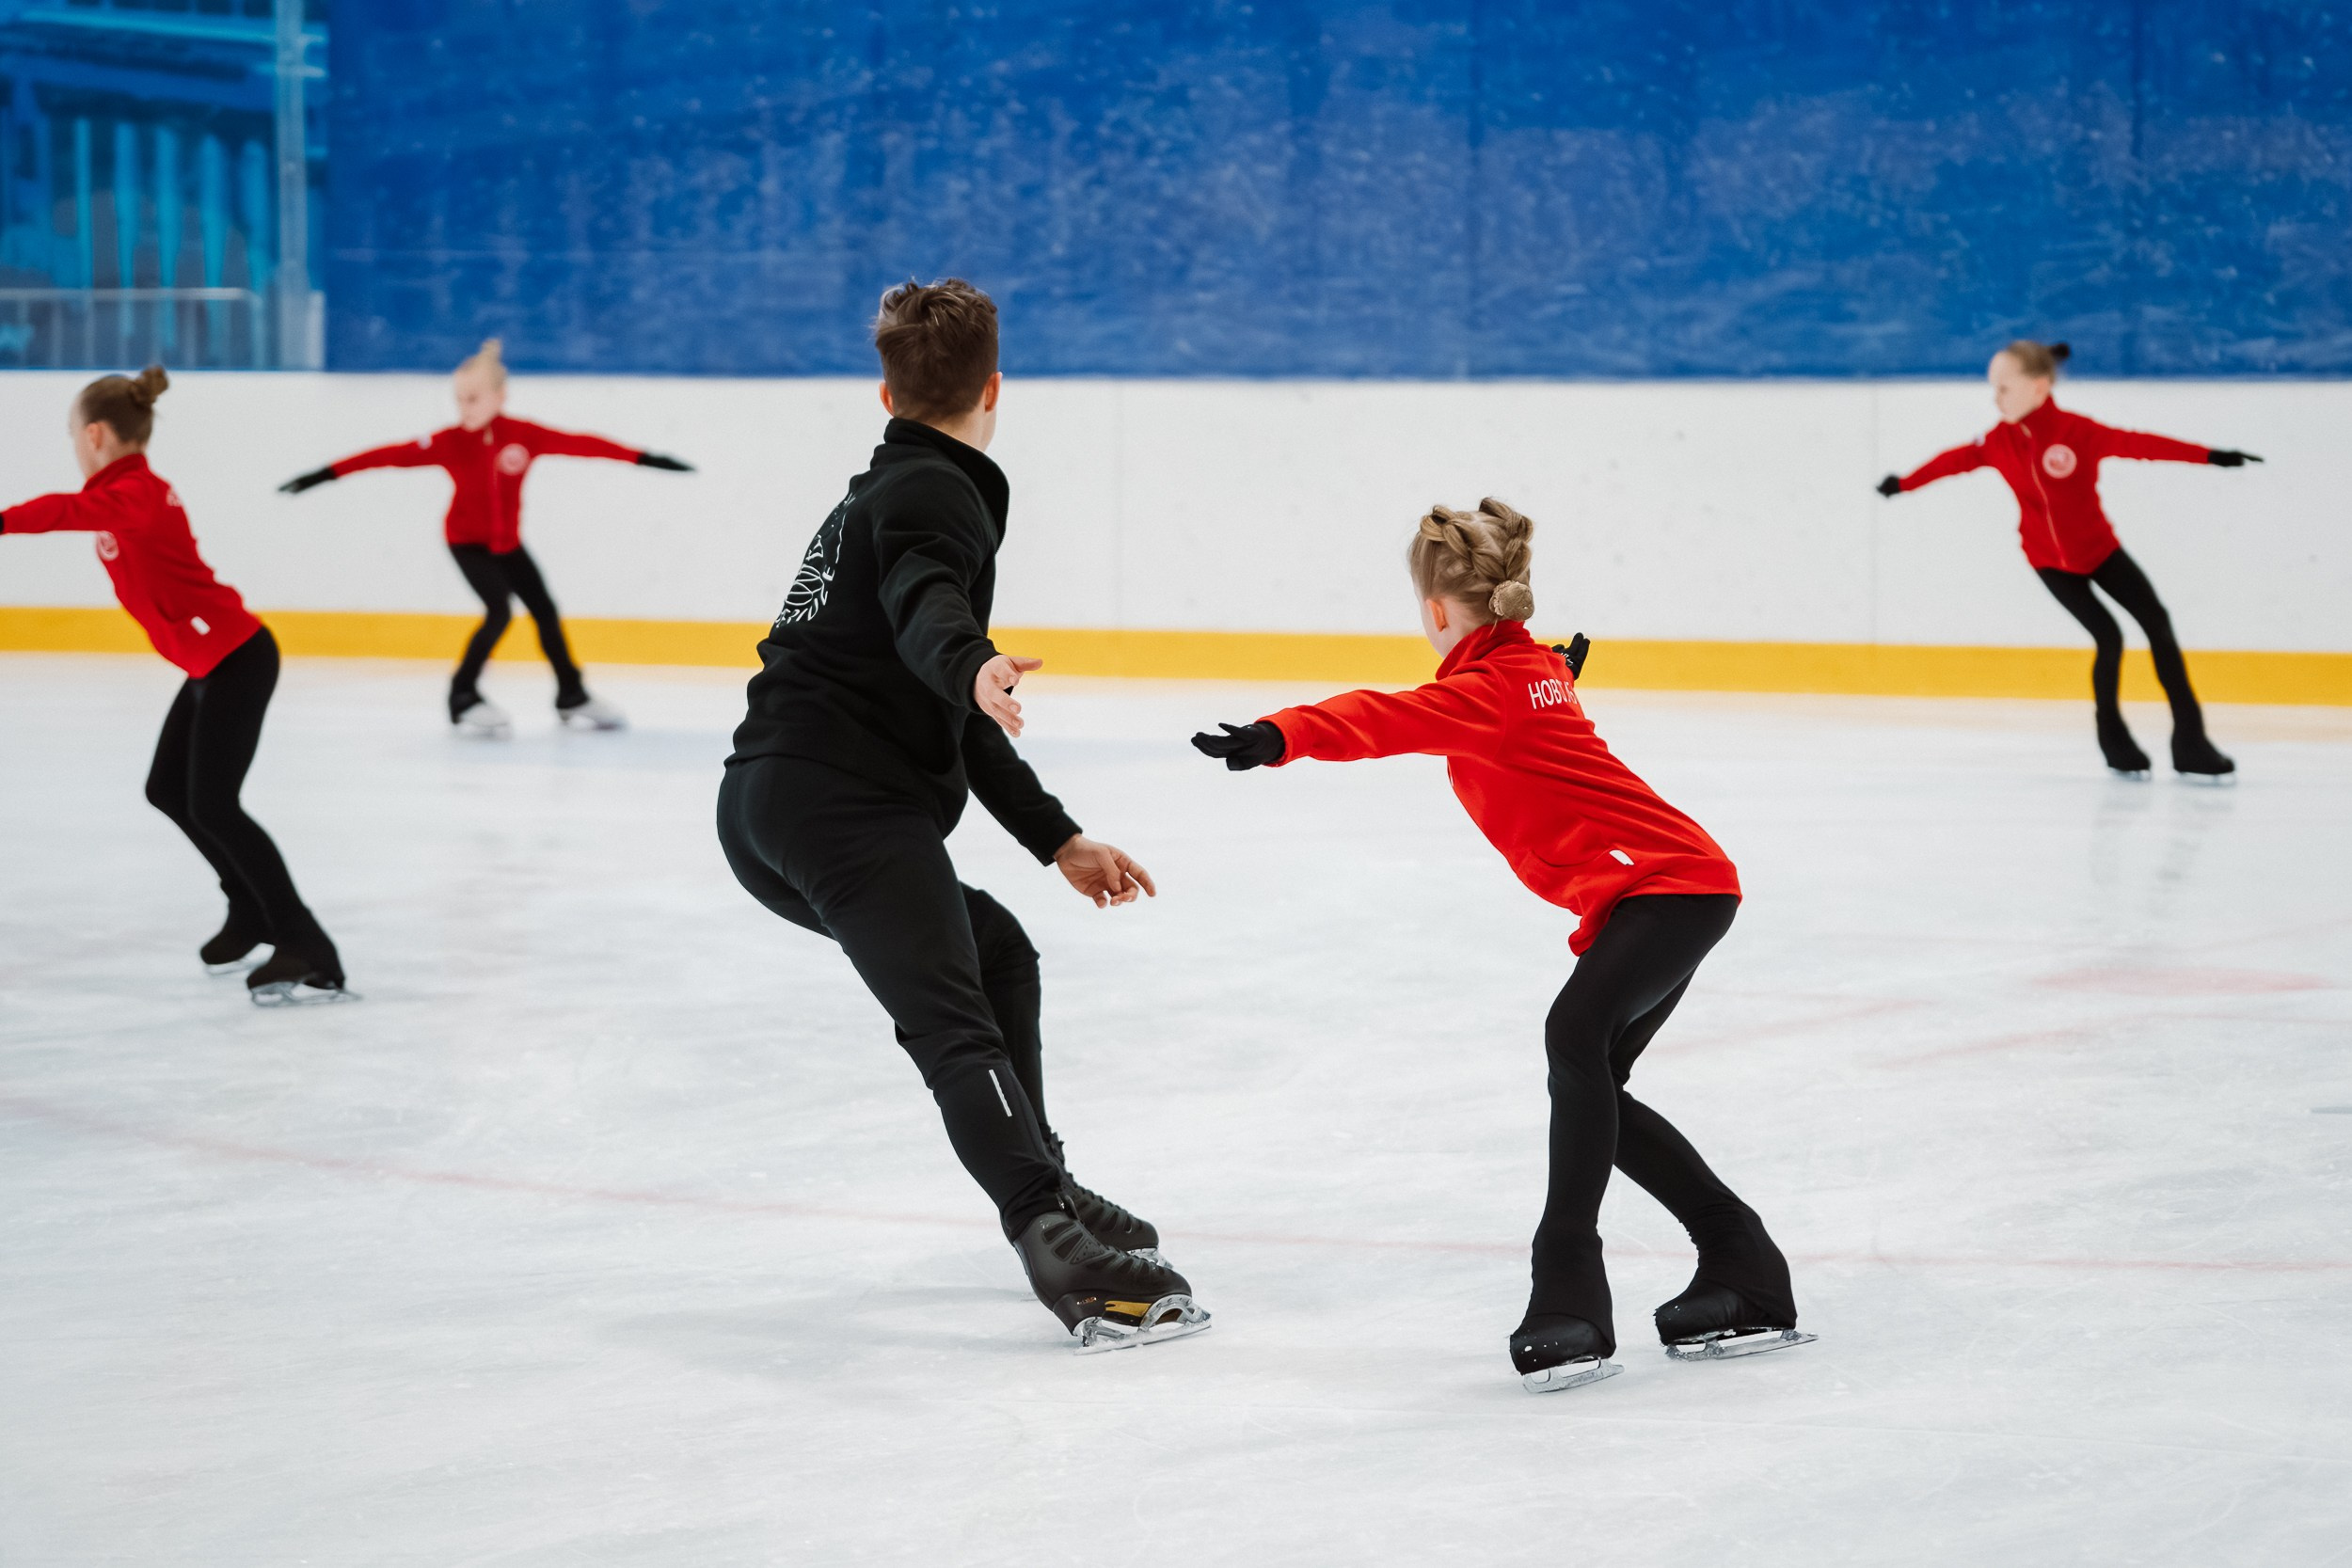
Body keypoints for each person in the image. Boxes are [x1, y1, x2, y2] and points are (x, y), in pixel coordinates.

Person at [1191, 499, 1808, 1394]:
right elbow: (1526, 691)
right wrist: (1554, 669)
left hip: (1664, 889)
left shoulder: (1489, 689)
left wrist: (1284, 733)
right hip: (1676, 884)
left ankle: (1570, 1284)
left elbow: (1385, 715)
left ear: (1435, 609)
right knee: (1595, 1080)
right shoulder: (1522, 669)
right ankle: (1743, 1263)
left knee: (1573, 1043)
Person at [716, 278, 1210, 1354]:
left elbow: (934, 660)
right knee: (954, 1021)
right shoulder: (934, 494)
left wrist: (1055, 836)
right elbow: (929, 607)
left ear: (884, 390)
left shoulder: (888, 485)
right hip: (835, 805)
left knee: (994, 950)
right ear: (996, 386)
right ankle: (1055, 1240)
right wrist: (971, 656)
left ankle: (1049, 1185)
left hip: (769, 804)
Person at [1, 367, 350, 1005]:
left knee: (215, 803)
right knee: (169, 790)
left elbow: (64, 511)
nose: (73, 445)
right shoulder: (126, 491)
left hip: (237, 657)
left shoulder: (133, 491)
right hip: (210, 662)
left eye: (72, 435)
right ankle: (247, 906)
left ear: (96, 434)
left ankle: (307, 943)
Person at [1878, 340, 2259, 780]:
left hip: (2100, 552)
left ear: (2039, 388)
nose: (1995, 397)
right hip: (2049, 562)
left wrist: (2211, 456)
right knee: (2109, 637)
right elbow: (1953, 461)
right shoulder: (1997, 441)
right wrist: (1904, 484)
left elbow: (2140, 444)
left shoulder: (2077, 433)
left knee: (2157, 622)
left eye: (2004, 387)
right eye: (1992, 388)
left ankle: (2191, 743)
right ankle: (2115, 742)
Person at [277, 339, 693, 737]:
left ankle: (572, 694)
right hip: (466, 541)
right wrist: (323, 474)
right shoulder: (450, 442)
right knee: (499, 612)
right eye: (459, 399)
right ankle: (462, 695)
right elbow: (388, 455)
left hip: (507, 544)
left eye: (473, 398)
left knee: (544, 611)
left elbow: (580, 444)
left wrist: (645, 458)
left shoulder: (524, 435)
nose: (465, 408)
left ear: (499, 396)